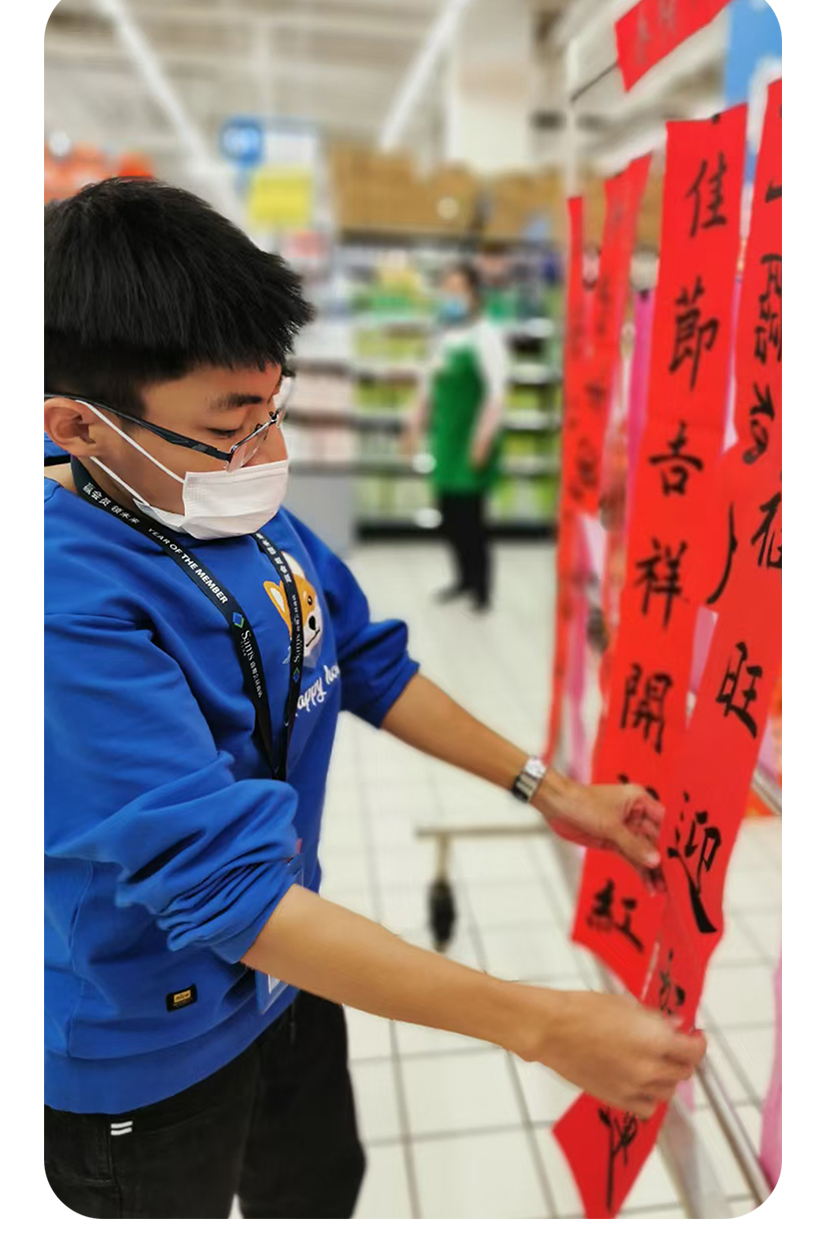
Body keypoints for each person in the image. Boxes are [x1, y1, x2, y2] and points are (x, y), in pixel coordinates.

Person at [44, 178, 705, 1220]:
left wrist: (548, 786)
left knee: (314, 1193)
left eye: (273, 411)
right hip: (142, 1041)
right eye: (230, 428)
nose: (267, 456)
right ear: (80, 427)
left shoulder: (242, 517)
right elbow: (228, 894)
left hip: (291, 975)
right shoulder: (61, 603)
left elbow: (363, 659)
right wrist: (538, 1023)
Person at [404, 262, 506, 612]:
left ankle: (481, 587)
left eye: (458, 290)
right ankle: (462, 578)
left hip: (472, 440)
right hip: (446, 440)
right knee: (448, 515)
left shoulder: (487, 336)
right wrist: (414, 427)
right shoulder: (443, 337)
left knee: (472, 517)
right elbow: (428, 389)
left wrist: (482, 440)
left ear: (475, 294)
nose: (452, 297)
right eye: (447, 289)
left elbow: (497, 394)